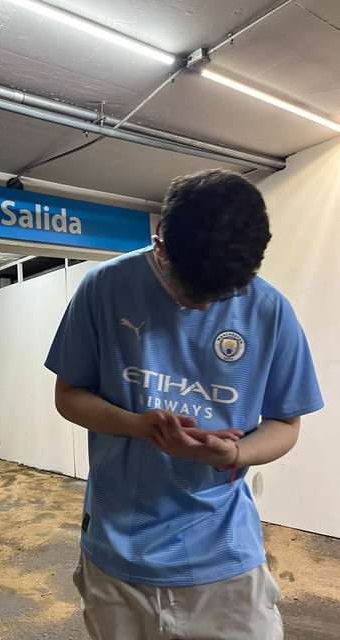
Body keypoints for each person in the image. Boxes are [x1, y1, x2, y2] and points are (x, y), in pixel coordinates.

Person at [44, 169, 323, 640]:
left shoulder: (269, 309)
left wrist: (236, 454)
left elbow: (285, 423)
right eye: (189, 291)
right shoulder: (104, 287)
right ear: (160, 243)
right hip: (118, 552)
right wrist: (138, 425)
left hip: (225, 556)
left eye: (221, 296)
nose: (202, 308)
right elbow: (69, 395)